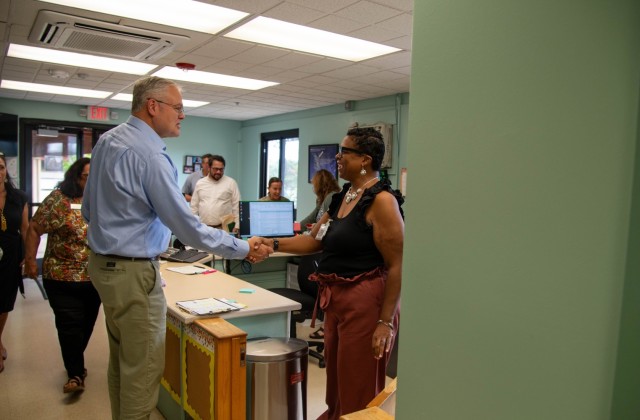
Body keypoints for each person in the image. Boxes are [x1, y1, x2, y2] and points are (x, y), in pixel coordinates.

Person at [81, 76, 271, 419]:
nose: (182, 115)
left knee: (122, 362)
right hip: (133, 272)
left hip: (103, 267)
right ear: (153, 107)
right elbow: (187, 228)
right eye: (178, 108)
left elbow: (88, 212)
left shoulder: (107, 141)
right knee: (142, 371)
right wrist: (244, 249)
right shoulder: (151, 155)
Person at [254, 127, 404, 419]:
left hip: (366, 301)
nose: (337, 156)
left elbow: (398, 264)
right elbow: (314, 240)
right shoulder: (342, 197)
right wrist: (270, 243)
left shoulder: (382, 201)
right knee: (336, 379)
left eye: (344, 151)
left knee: (357, 382)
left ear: (365, 159)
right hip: (336, 300)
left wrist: (385, 322)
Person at [24, 158, 101, 394]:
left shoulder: (101, 201)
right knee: (69, 326)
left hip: (94, 277)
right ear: (76, 177)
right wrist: (29, 261)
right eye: (88, 176)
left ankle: (75, 361)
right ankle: (75, 374)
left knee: (85, 326)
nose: (92, 180)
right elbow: (34, 228)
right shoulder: (58, 200)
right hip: (61, 276)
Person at [0, 152, 29, 374]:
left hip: (10, 252)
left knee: (4, 302)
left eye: (1, 167)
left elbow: (26, 228)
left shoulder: (18, 197)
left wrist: (28, 256)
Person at [190, 155, 241, 233]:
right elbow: (194, 207)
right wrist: (193, 225)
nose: (218, 172)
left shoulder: (231, 183)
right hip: (204, 229)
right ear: (209, 168)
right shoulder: (200, 183)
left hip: (224, 229)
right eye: (216, 169)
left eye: (221, 169)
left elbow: (237, 206)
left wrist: (237, 225)